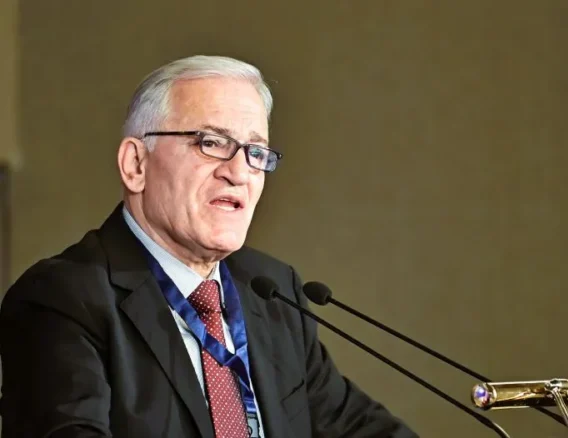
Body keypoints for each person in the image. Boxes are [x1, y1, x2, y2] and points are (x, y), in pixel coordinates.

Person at [0, 55, 416, 438]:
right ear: (136, 164)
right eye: (212, 142)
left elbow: (357, 427)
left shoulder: (272, 291)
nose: (239, 172)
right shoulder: (63, 300)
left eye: (256, 152)